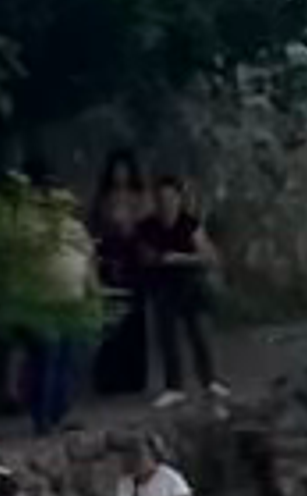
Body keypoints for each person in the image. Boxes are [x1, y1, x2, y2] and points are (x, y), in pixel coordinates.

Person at [21, 176, 97, 435]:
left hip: (72, 302)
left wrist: (93, 292)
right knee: (46, 360)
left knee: (68, 360)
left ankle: (58, 414)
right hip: (44, 303)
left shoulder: (76, 229)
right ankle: (42, 419)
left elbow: (88, 260)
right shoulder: (35, 228)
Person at [140, 170, 220, 401]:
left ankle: (209, 382)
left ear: (178, 198)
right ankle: (174, 388)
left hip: (190, 284)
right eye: (161, 198)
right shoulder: (148, 225)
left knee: (199, 335)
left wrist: (179, 258)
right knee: (168, 339)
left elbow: (209, 257)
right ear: (155, 200)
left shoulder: (189, 224)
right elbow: (144, 256)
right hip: (163, 287)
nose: (166, 203)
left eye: (170, 198)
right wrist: (157, 259)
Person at [88, 148, 151, 404]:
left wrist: (133, 228)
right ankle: (109, 376)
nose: (121, 174)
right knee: (111, 318)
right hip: (110, 259)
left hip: (133, 260)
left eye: (124, 170)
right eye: (117, 169)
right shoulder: (103, 199)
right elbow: (94, 227)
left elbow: (148, 226)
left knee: (134, 319)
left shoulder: (141, 197)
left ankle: (133, 376)